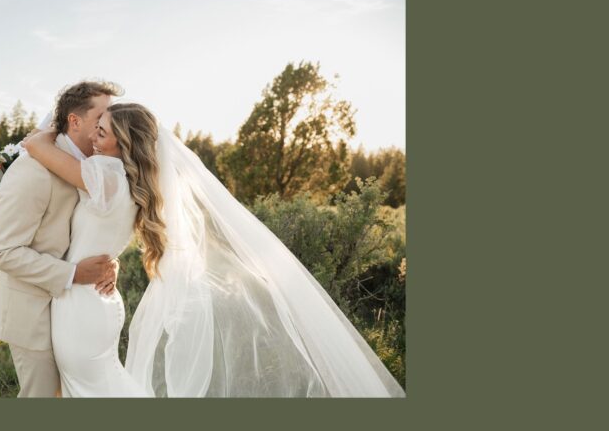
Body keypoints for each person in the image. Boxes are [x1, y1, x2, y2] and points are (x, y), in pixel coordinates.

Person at [23, 102, 406, 397]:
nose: (93, 137)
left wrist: (63, 119)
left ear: (123, 145)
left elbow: (34, 144)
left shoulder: (104, 175)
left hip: (83, 308)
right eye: (96, 129)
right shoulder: (126, 181)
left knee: (92, 389)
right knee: (96, 387)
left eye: (102, 132)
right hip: (92, 302)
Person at [0, 80, 124, 398]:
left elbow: (85, 230)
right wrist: (75, 274)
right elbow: (2, 251)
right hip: (32, 314)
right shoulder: (33, 170)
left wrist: (107, 262)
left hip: (72, 312)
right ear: (75, 121)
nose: (108, 122)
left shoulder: (91, 167)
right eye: (102, 115)